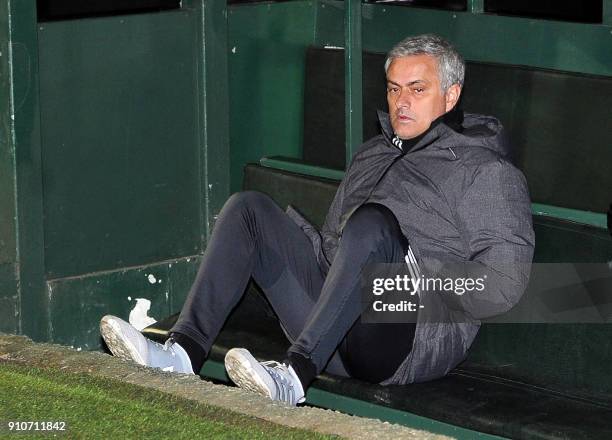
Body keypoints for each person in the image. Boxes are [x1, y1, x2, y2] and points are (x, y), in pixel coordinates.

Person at [100, 34, 535, 406]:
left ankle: (292, 377)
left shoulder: (486, 171)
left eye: (417, 89)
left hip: (406, 336)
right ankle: (182, 353)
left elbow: (505, 283)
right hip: (334, 328)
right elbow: (335, 246)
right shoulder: (372, 154)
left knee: (373, 223)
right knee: (247, 209)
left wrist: (413, 280)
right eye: (393, 89)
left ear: (452, 94)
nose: (401, 103)